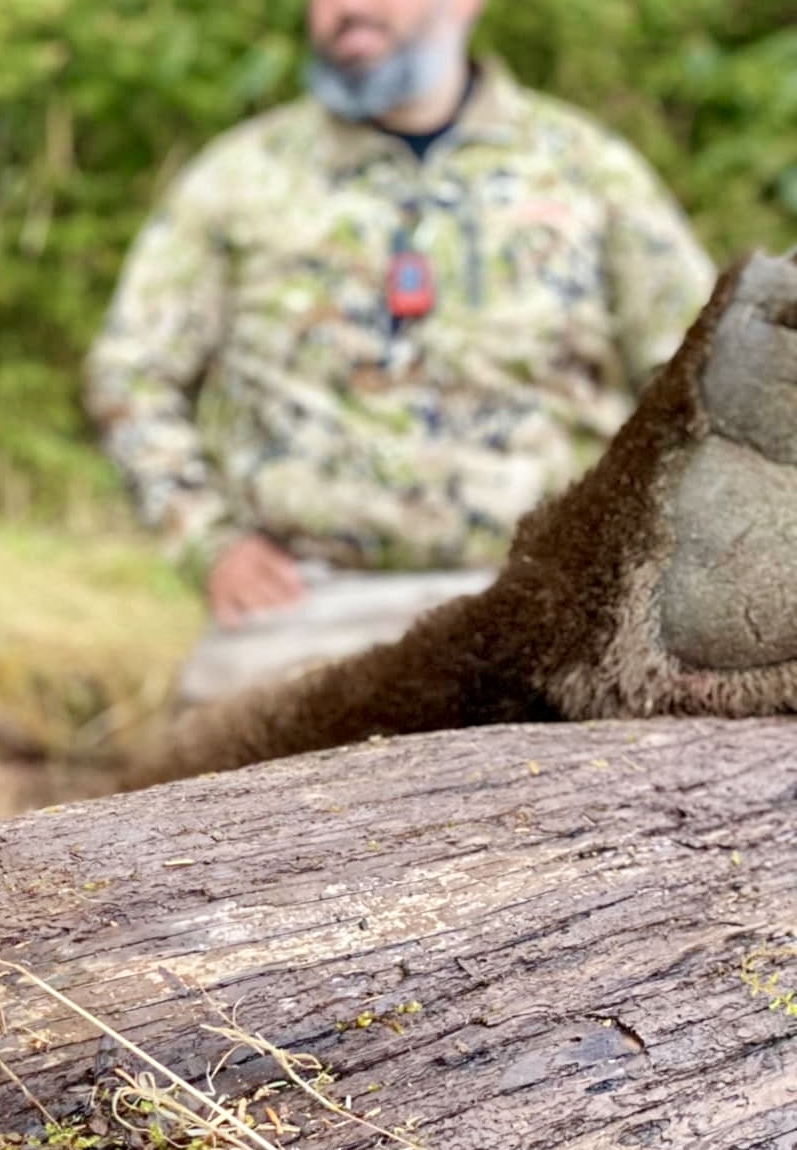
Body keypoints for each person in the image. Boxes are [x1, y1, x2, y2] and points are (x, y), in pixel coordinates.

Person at [85, 0, 715, 699]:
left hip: (547, 601)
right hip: (309, 609)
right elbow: (130, 375)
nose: (345, 10)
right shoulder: (241, 179)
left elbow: (699, 380)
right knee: (219, 765)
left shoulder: (587, 170)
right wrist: (209, 541)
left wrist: (658, 556)